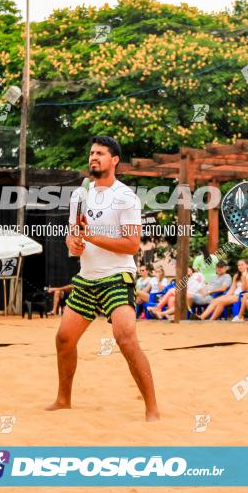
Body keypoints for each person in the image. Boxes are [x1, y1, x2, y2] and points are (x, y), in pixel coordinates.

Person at [47, 135, 160, 421]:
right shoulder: (79, 196)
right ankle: (63, 400)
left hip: (117, 277)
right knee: (63, 339)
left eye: (100, 153)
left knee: (124, 337)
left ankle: (152, 408)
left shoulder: (126, 197)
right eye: (91, 153)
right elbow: (73, 234)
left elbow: (132, 244)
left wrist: (91, 237)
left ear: (115, 160)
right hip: (87, 277)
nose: (93, 157)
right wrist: (72, 243)